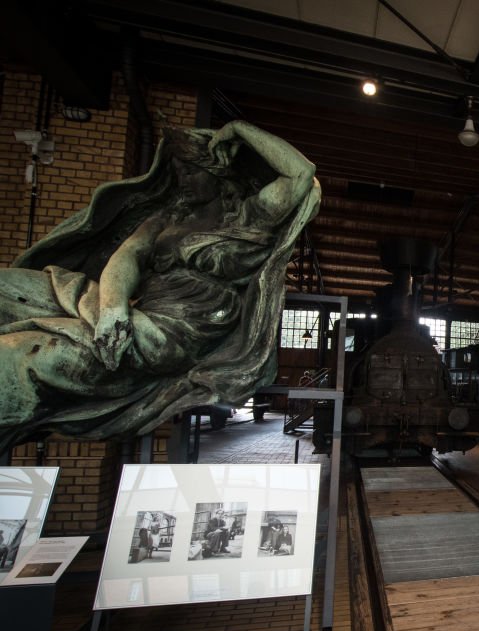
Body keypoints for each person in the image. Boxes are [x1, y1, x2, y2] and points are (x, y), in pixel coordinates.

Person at [0, 121, 319, 452]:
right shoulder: (166, 221)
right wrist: (112, 307)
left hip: (177, 329)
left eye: (192, 171)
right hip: (131, 308)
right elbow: (127, 258)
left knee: (22, 354)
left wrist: (240, 129)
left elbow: (301, 174)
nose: (183, 180)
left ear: (219, 175)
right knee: (8, 287)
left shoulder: (248, 217)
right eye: (179, 171)